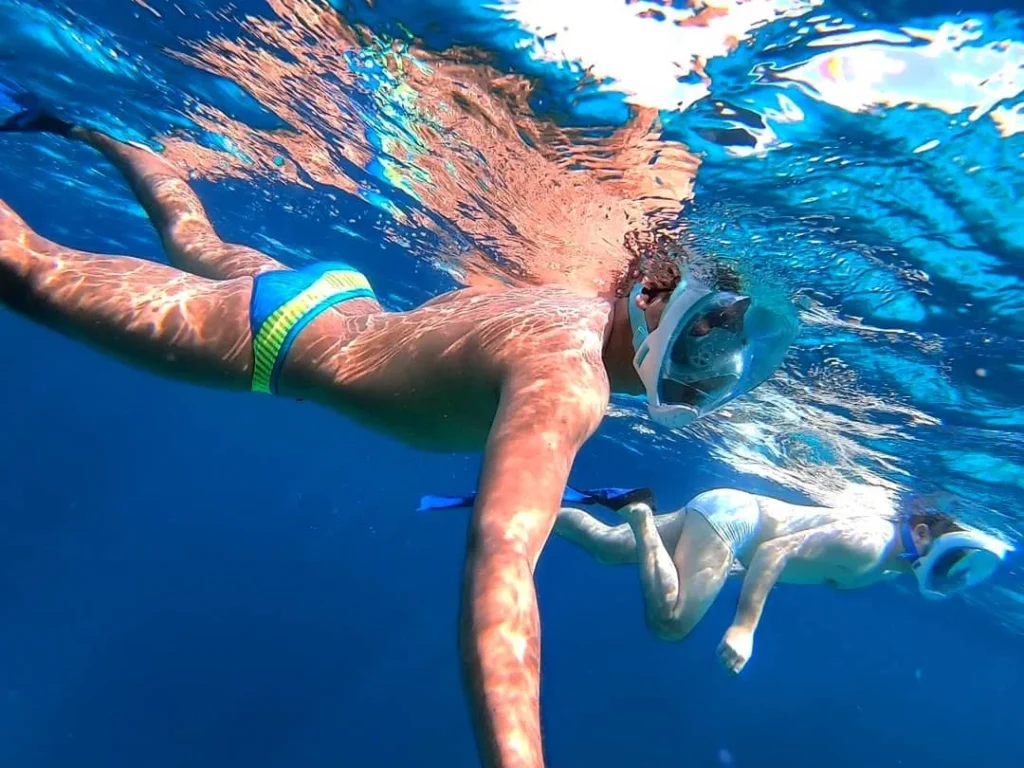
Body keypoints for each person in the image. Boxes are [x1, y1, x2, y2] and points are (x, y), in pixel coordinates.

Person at [0, 86, 796, 768]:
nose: (712, 379)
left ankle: (81, 127)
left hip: (340, 299)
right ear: (655, 307)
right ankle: (68, 125)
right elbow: (503, 564)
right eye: (709, 348)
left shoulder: (572, 303)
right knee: (25, 271)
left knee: (191, 236)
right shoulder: (568, 381)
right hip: (277, 339)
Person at [528, 487, 1013, 674]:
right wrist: (744, 626)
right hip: (738, 521)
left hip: (734, 517)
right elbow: (777, 551)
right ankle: (640, 518)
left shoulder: (886, 566)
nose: (945, 573)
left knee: (607, 549)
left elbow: (790, 556)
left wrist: (733, 566)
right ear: (922, 533)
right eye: (946, 560)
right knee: (672, 623)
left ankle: (534, 511)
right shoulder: (869, 544)